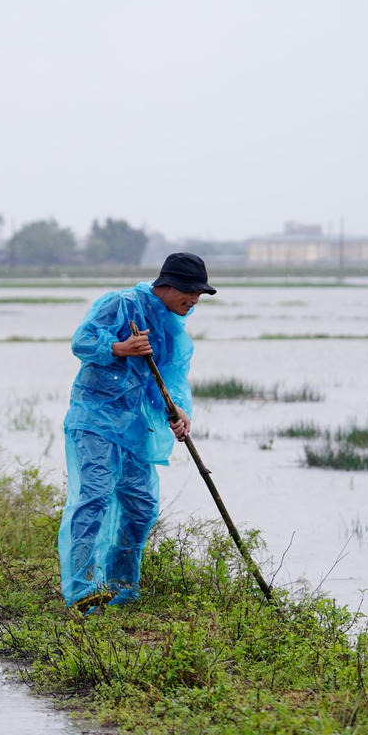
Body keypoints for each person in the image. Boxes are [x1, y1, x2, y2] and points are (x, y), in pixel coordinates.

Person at [57, 252, 216, 611]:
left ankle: (121, 586)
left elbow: (172, 379)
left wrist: (178, 411)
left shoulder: (173, 328)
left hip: (134, 426)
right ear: (169, 285)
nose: (194, 301)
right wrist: (119, 348)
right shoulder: (121, 304)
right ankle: (81, 590)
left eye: (200, 295)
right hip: (95, 419)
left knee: (141, 507)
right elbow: (81, 341)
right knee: (94, 497)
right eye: (190, 292)